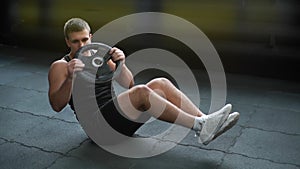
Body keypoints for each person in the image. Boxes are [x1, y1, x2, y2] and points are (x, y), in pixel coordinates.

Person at [48, 18, 239, 145]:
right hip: (98, 128)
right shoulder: (61, 66)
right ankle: (200, 125)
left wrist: (121, 62)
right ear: (67, 42)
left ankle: (204, 122)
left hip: (115, 117)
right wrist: (71, 78)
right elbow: (57, 105)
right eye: (75, 42)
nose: (81, 45)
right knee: (142, 92)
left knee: (160, 83)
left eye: (84, 40)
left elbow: (128, 84)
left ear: (91, 37)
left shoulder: (100, 58)